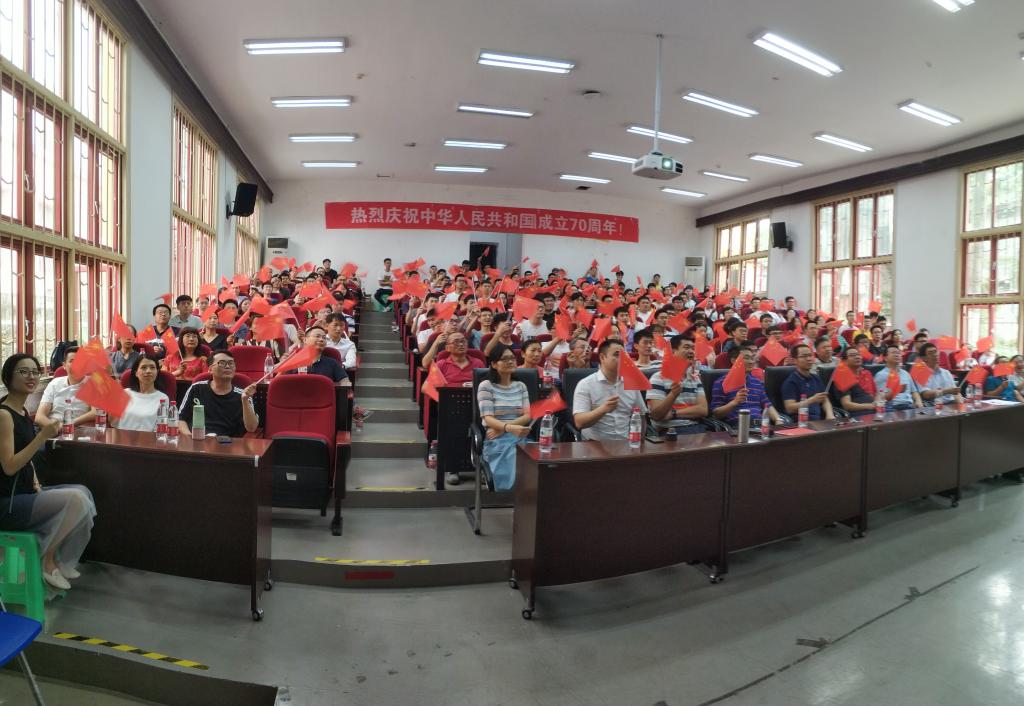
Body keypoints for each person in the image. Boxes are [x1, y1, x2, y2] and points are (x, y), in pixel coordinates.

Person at [0, 353, 96, 591]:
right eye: (23, 371)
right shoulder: (4, 415)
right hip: (7, 502)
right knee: (75, 499)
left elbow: (27, 459)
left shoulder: (22, 412)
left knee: (83, 492)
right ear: (7, 377)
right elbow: (9, 466)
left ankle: (53, 558)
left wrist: (35, 482)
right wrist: (42, 436)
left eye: (35, 372)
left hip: (24, 491)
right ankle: (48, 559)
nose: (31, 377)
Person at [475, 345, 532, 490]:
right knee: (514, 457)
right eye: (505, 359)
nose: (511, 361)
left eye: (512, 358)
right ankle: (511, 497)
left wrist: (506, 428)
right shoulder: (486, 386)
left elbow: (528, 415)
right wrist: (508, 428)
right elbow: (488, 419)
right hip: (496, 439)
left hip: (518, 435)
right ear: (494, 364)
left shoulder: (521, 386)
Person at [572, 340, 647, 441]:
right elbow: (579, 422)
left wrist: (640, 443)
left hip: (625, 443)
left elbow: (641, 415)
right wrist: (603, 409)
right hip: (594, 444)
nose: (622, 359)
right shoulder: (586, 384)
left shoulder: (630, 383)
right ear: (602, 357)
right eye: (617, 355)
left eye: (624, 355)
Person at [178, 351, 259, 437]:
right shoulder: (196, 388)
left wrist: (245, 400)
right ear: (210, 369)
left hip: (227, 443)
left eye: (231, 363)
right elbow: (180, 419)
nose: (228, 366)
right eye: (222, 363)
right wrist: (189, 437)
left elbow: (251, 428)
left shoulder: (243, 395)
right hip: (196, 439)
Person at [647, 335, 708, 434]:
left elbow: (703, 410)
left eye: (693, 348)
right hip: (670, 431)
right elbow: (656, 415)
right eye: (686, 347)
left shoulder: (695, 379)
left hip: (697, 428)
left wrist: (673, 413)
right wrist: (673, 395)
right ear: (673, 352)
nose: (691, 351)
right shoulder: (657, 378)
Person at [710, 346, 778, 425]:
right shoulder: (721, 383)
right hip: (737, 427)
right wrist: (734, 402)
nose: (751, 362)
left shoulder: (757, 382)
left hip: (759, 426)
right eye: (746, 358)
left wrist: (778, 419)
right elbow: (716, 414)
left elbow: (767, 404)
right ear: (734, 361)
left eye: (752, 358)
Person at [36, 347, 96, 428]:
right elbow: (40, 416)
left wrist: (68, 425)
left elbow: (95, 412)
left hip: (77, 429)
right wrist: (56, 428)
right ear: (64, 365)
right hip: (50, 428)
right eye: (72, 361)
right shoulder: (54, 384)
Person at [114, 355, 171, 431]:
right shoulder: (125, 393)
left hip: (149, 438)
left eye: (152, 367)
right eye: (143, 367)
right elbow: (114, 423)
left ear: (157, 372)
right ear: (136, 373)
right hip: (121, 437)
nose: (148, 371)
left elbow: (160, 429)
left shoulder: (163, 398)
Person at [782, 344, 834, 421]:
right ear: (794, 360)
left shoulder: (816, 378)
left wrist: (830, 414)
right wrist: (812, 400)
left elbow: (824, 399)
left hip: (819, 421)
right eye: (804, 356)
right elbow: (789, 408)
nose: (809, 359)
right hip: (801, 422)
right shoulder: (790, 382)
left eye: (810, 355)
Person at [874, 345, 923, 410]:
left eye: (898, 353)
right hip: (893, 407)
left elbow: (914, 392)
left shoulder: (906, 373)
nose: (897, 355)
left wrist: (919, 402)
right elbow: (881, 397)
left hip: (910, 406)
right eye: (893, 353)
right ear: (885, 358)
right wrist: (898, 389)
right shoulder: (881, 375)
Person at [837, 347, 877, 416]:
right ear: (845, 361)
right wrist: (870, 406)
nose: (857, 357)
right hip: (859, 414)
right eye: (852, 355)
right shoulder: (843, 377)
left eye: (858, 354)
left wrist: (879, 402)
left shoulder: (867, 373)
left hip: (876, 411)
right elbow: (847, 405)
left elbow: (875, 393)